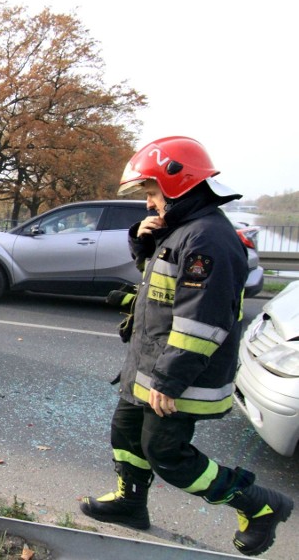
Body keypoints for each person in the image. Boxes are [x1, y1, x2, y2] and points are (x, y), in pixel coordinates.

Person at [79, 136, 293, 557]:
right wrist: (143, 244)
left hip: (176, 376)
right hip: (148, 364)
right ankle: (130, 503)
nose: (147, 203)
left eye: (151, 192)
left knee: (166, 454)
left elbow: (203, 321)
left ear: (176, 183)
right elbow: (162, 290)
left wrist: (169, 379)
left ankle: (258, 503)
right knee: (125, 434)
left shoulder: (208, 240)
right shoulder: (181, 232)